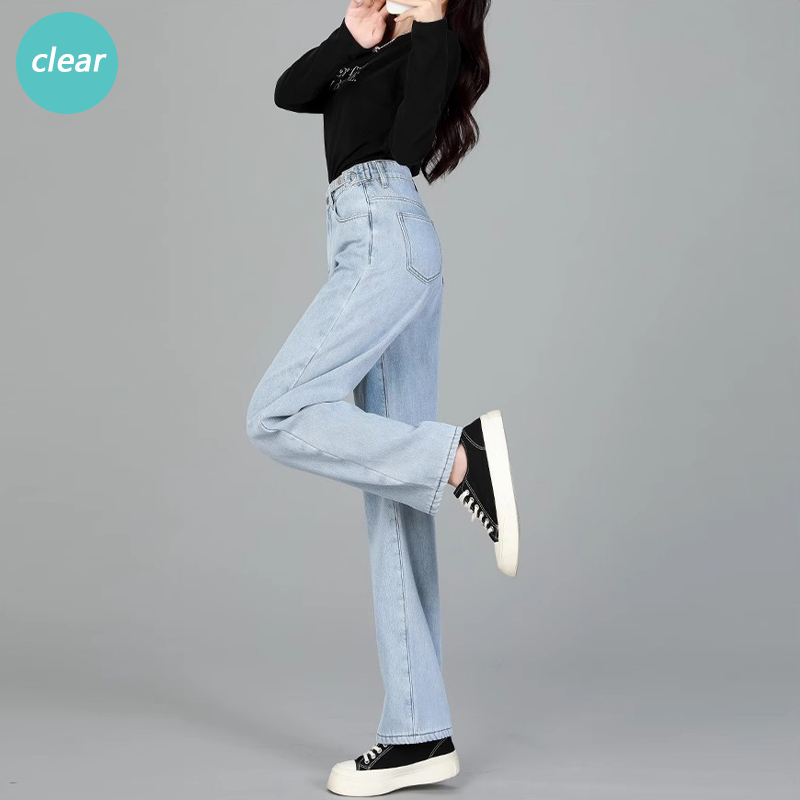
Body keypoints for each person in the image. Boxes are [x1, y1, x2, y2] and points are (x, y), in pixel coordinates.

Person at [246, 0, 517, 794]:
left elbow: (405, 147)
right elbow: (291, 91)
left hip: (384, 236)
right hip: (374, 244)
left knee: (278, 411)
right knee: (395, 500)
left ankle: (459, 458)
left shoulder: (435, 48)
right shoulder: (369, 47)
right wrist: (351, 36)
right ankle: (419, 733)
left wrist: (429, 25)